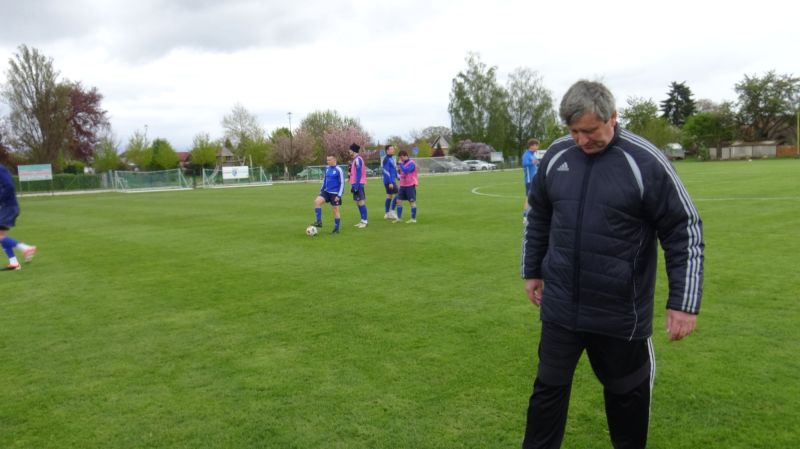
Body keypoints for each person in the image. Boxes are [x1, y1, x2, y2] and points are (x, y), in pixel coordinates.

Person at [520, 80, 704, 449]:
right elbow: (537, 214)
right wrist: (533, 270)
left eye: (589, 131)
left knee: (627, 402)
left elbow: (684, 230)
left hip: (620, 314)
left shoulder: (645, 161)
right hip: (560, 309)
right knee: (547, 394)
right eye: (574, 131)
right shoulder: (557, 155)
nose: (581, 140)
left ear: (613, 118)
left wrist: (683, 303)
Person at [0, 164, 37, 271]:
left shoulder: (0, 169)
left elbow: (9, 186)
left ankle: (26, 248)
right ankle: (14, 263)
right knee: (2, 236)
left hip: (9, 207)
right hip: (6, 207)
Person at [311, 155, 344, 234]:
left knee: (335, 210)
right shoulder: (327, 168)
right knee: (317, 202)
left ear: (334, 160)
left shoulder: (339, 170)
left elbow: (342, 183)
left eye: (329, 160)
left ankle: (336, 229)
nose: (328, 161)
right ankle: (319, 222)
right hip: (326, 192)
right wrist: (321, 190)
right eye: (327, 160)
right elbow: (325, 180)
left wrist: (339, 195)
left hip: (335, 193)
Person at [394, 150, 418, 224]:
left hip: (410, 185)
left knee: (412, 202)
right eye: (400, 158)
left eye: (401, 157)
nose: (400, 159)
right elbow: (402, 173)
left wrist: (401, 165)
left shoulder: (411, 163)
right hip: (402, 186)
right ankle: (399, 218)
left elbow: (406, 170)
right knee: (398, 201)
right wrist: (398, 176)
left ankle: (413, 219)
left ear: (405, 156)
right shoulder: (403, 163)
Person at [348, 143, 368, 228]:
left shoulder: (358, 159)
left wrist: (356, 185)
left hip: (358, 184)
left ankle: (365, 221)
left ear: (353, 150)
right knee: (358, 203)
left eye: (350, 150)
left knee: (361, 202)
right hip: (355, 183)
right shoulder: (355, 159)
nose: (349, 151)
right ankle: (362, 220)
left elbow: (359, 173)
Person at [521, 138, 540, 221]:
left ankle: (534, 212)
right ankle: (525, 215)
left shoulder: (533, 155)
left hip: (534, 179)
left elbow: (535, 165)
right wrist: (533, 162)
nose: (537, 147)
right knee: (528, 197)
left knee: (536, 196)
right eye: (536, 145)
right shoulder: (526, 154)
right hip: (529, 180)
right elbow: (525, 164)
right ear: (531, 146)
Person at [381, 144, 399, 220]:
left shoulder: (391, 158)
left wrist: (398, 177)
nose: (393, 150)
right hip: (389, 181)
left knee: (389, 196)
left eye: (393, 149)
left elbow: (393, 170)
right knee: (399, 194)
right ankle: (391, 211)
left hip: (392, 180)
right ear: (387, 150)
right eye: (391, 149)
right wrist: (390, 182)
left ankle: (387, 213)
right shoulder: (386, 159)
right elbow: (386, 171)